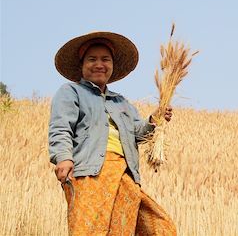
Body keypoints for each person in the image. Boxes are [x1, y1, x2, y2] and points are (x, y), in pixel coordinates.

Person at [48, 31, 177, 235]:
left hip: (125, 176)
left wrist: (154, 120)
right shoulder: (71, 92)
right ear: (82, 65)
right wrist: (63, 158)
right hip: (89, 174)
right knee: (89, 230)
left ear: (112, 65)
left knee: (160, 227)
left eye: (105, 59)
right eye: (92, 59)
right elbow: (61, 127)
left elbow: (139, 133)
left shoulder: (121, 103)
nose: (99, 64)